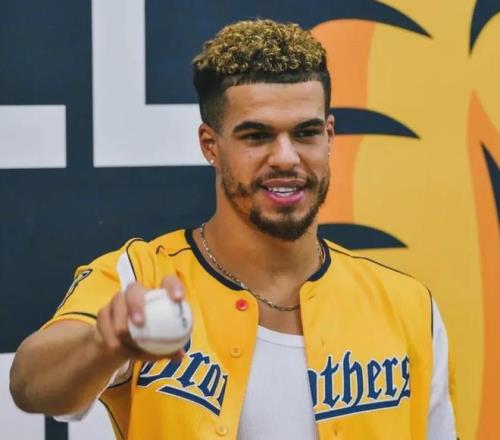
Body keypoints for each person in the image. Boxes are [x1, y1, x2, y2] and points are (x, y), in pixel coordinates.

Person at [9, 19, 456, 439]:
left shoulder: (408, 305)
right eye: (256, 136)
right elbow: (31, 386)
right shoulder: (143, 278)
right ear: (211, 145)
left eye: (305, 133)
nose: (286, 158)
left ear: (330, 136)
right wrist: (105, 345)